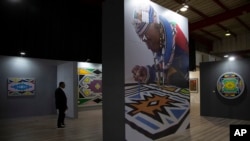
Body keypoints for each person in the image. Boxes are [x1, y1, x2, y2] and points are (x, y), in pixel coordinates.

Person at [131, 4, 189, 88]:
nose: (148, 47)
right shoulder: (161, 40)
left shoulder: (178, 39)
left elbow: (169, 66)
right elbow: (164, 65)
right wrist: (148, 72)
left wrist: (173, 76)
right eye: (145, 41)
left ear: (160, 29)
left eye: (150, 40)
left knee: (174, 77)